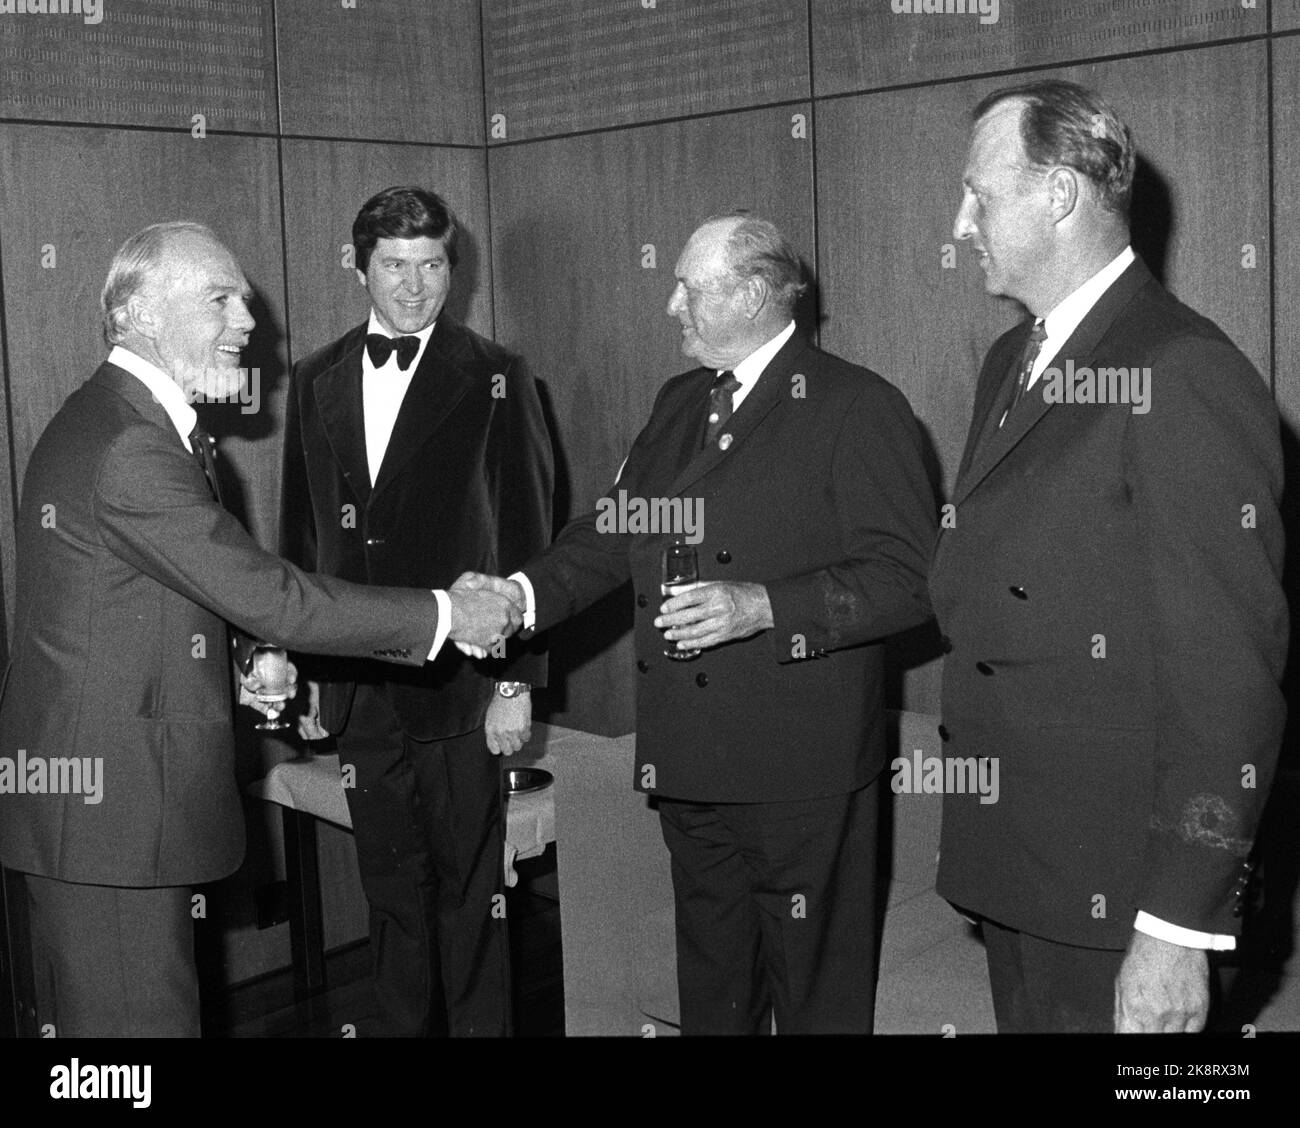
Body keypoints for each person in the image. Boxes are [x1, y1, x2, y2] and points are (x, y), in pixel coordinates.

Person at [0, 221, 519, 1038]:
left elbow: (185, 596)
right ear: (138, 314)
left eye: (242, 298)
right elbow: (269, 593)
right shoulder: (129, 443)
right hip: (111, 819)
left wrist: (263, 668)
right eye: (220, 299)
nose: (249, 320)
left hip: (109, 810)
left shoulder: (134, 422)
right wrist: (448, 613)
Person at [460, 213, 935, 1034]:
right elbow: (611, 534)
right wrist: (518, 597)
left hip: (803, 772)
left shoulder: (859, 406)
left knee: (818, 1002)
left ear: (752, 295)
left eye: (689, 286)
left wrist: (762, 607)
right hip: (691, 759)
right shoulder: (679, 401)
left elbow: (911, 582)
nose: (671, 304)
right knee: (712, 994)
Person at [931, 79, 1288, 1033]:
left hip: (1117, 883)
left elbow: (1230, 682)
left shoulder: (1182, 370)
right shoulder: (1013, 362)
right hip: (1023, 858)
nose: (961, 219)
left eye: (980, 192)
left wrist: (1177, 926)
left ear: (1057, 195)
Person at [279, 186, 553, 1037]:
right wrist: (303, 664)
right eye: (395, 266)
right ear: (358, 267)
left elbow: (529, 536)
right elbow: (301, 532)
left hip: (465, 684)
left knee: (473, 894)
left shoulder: (497, 375)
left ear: (452, 268)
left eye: (433, 264)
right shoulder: (313, 376)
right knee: (389, 891)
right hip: (358, 683)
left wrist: (517, 684)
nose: (414, 285)